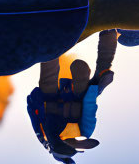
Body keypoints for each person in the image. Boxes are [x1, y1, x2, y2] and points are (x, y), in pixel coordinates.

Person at [27, 30, 120, 161]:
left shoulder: (46, 134)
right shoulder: (84, 132)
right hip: (76, 97)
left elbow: (34, 113)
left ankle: (51, 36)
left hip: (51, 100)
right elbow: (89, 108)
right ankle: (110, 32)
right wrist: (94, 89)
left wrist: (35, 99)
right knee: (87, 73)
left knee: (49, 80)